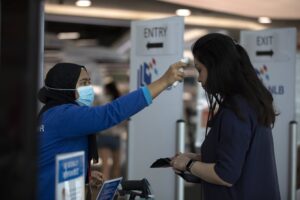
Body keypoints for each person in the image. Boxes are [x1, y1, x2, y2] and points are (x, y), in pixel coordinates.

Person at [37, 61, 186, 200]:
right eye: (83, 83)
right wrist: (163, 82)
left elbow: (55, 156)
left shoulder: (51, 114)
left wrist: (85, 176)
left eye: (89, 83)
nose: (88, 89)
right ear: (66, 86)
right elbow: (111, 113)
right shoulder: (64, 115)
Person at [170, 33, 280, 200]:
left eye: (200, 70)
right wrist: (195, 159)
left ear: (216, 67)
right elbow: (235, 157)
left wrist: (189, 164)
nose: (199, 79)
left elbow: (225, 174)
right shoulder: (246, 103)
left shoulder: (236, 111)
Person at [96, 81, 124, 180]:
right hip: (115, 136)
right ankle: (116, 192)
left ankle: (105, 193)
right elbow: (123, 121)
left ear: (107, 89)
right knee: (116, 166)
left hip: (103, 136)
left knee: (105, 167)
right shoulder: (119, 102)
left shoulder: (101, 101)